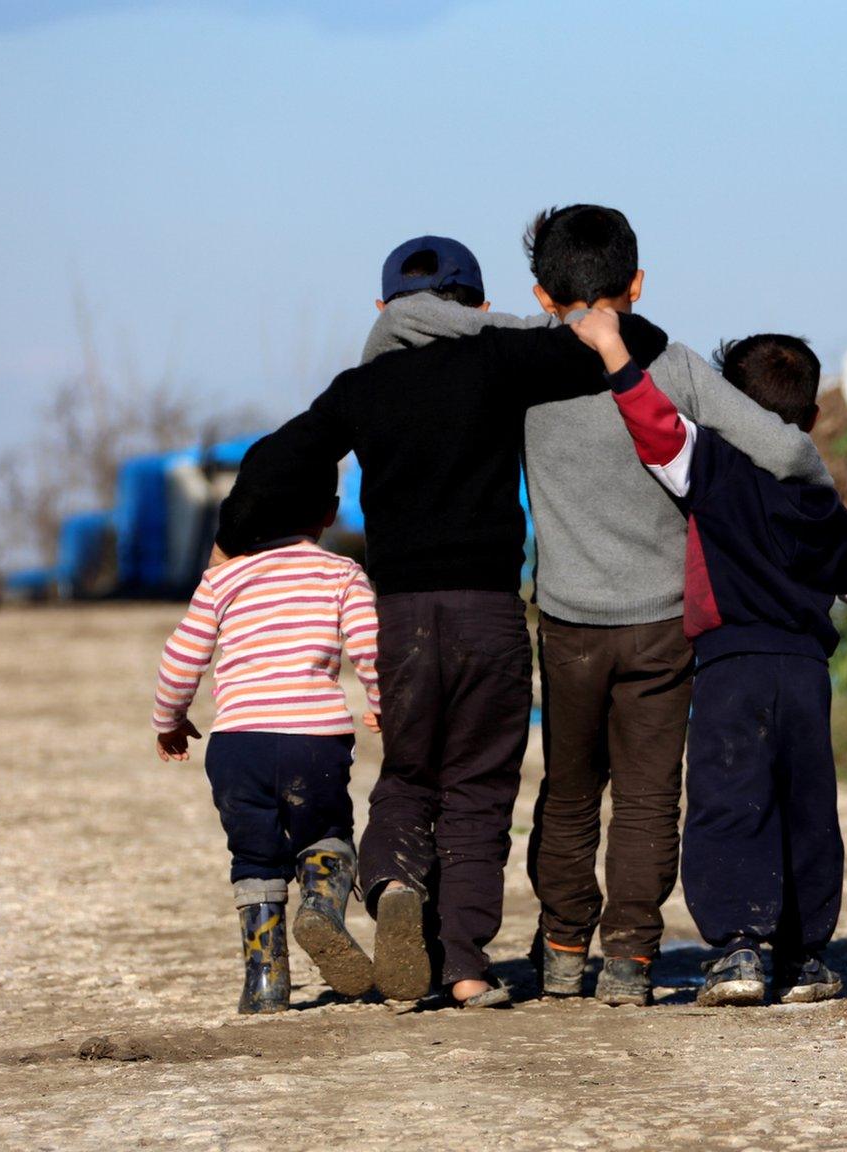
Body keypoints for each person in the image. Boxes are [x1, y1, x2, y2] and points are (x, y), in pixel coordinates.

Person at [368, 206, 834, 1007]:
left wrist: (406, 318)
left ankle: (560, 950)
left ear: (542, 294)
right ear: (640, 283)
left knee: (571, 792)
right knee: (651, 796)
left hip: (568, 623)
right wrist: (822, 506)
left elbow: (434, 327)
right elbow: (786, 449)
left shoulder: (519, 363)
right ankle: (630, 960)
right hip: (662, 626)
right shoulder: (678, 367)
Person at [226, 236, 667, 1008]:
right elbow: (637, 339)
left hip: (399, 618)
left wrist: (229, 543)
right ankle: (463, 965)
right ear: (479, 304)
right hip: (487, 613)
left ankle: (395, 883)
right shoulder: (497, 357)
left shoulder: (360, 387)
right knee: (478, 790)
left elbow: (273, 460)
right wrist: (508, 330)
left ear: (381, 309)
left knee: (409, 776)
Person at [569, 311, 847, 1005]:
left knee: (729, 802)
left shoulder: (712, 466)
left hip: (728, 666)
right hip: (805, 672)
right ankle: (805, 959)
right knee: (806, 808)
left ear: (727, 406)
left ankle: (738, 951)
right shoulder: (816, 497)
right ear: (807, 416)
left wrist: (614, 351)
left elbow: (655, 425)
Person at [152, 461, 381, 1014]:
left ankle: (265, 984)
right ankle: (321, 911)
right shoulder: (341, 573)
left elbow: (182, 658)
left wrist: (170, 719)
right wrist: (383, 705)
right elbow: (373, 648)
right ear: (328, 514)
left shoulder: (222, 579)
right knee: (325, 832)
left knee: (253, 855)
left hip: (238, 746)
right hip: (314, 743)